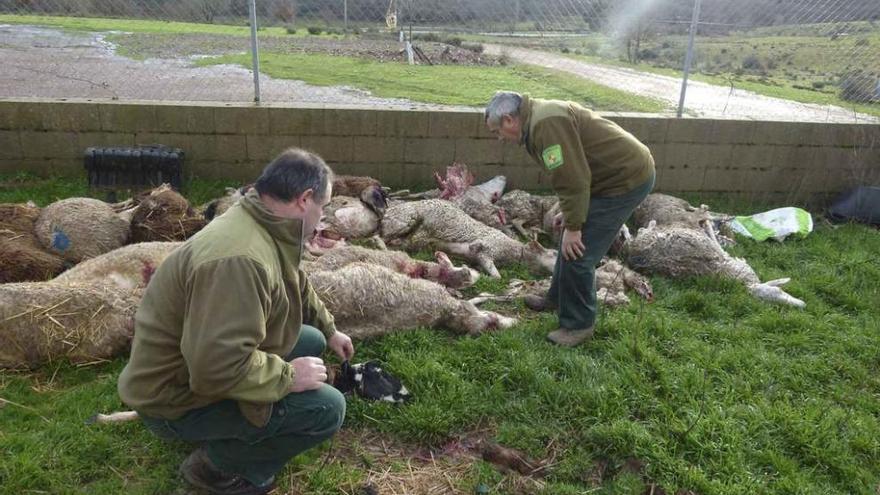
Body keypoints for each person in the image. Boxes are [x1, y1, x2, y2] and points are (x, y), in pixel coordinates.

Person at [118, 148, 354, 495]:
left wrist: (330, 329)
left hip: (189, 367)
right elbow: (214, 367)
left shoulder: (261, 221)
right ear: (305, 200)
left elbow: (295, 281)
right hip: (174, 399)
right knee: (326, 407)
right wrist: (289, 377)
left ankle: (226, 426)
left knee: (311, 340)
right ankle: (216, 468)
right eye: (324, 206)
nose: (324, 218)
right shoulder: (240, 260)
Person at [484, 91, 655, 347]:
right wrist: (572, 212)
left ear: (509, 119)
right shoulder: (537, 120)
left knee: (578, 253)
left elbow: (573, 179)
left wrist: (575, 226)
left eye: (497, 132)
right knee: (568, 240)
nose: (499, 139)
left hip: (624, 181)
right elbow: (572, 172)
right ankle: (558, 298)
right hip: (605, 179)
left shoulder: (546, 125)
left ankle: (579, 325)